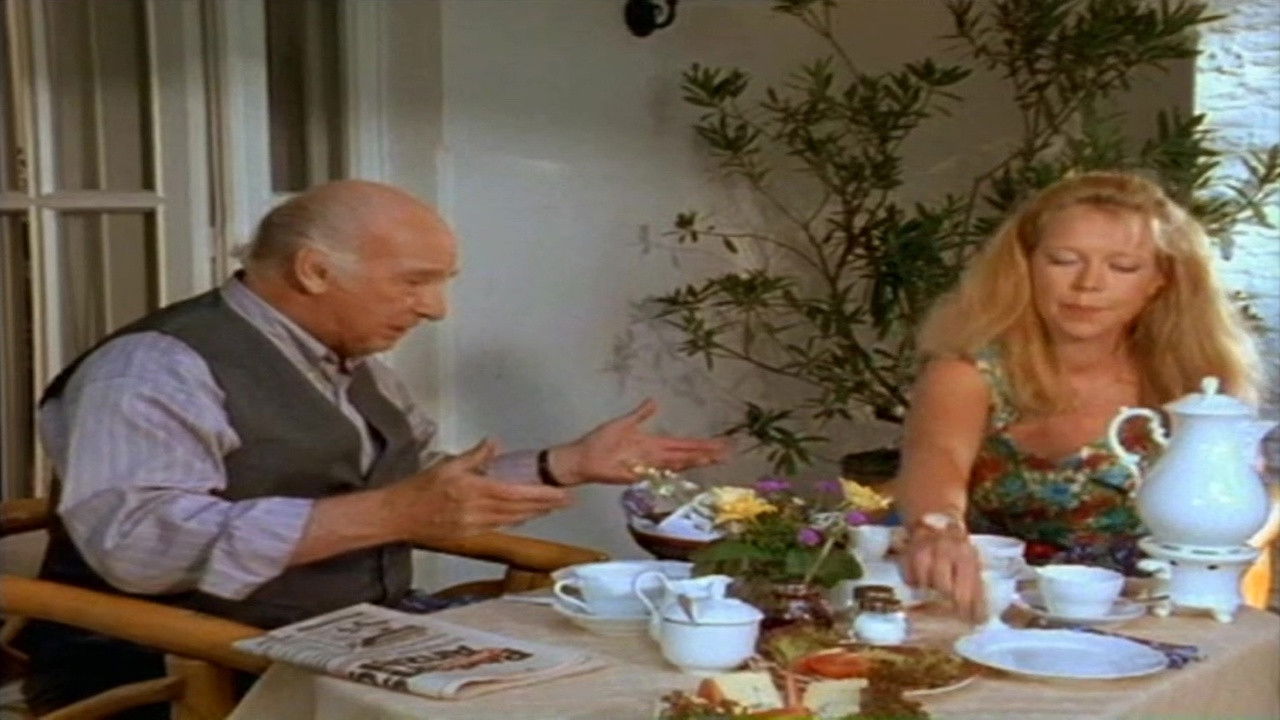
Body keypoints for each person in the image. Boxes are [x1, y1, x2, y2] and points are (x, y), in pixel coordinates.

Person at [22, 179, 728, 716]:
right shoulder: (155, 367)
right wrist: (390, 515)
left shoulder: (345, 361)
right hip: (175, 664)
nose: (436, 308)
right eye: (415, 282)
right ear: (314, 271)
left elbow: (413, 480)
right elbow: (138, 546)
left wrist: (563, 464)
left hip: (345, 636)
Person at [894, 171, 1262, 620]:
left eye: (1122, 267)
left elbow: (1239, 498)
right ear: (1026, 265)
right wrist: (937, 529)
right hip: (1004, 616)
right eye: (1064, 260)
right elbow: (938, 457)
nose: (1088, 284)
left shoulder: (1195, 378)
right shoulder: (968, 371)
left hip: (1162, 614)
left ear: (1160, 280)